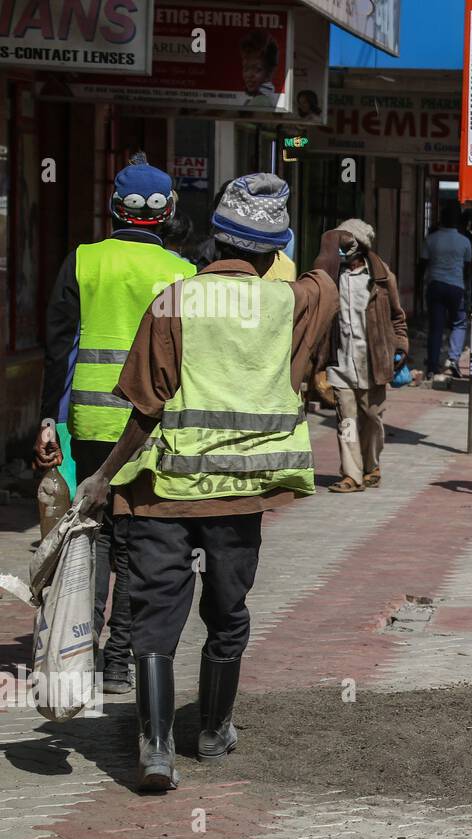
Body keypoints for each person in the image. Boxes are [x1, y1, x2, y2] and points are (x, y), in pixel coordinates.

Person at [74, 173, 347, 792]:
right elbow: (327, 269)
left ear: (213, 238)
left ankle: (155, 748)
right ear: (274, 250)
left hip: (160, 493)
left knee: (153, 618)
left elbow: (146, 407)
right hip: (240, 495)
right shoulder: (295, 302)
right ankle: (214, 730)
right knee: (226, 612)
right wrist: (331, 244)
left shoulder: (174, 300)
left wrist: (101, 476)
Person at [36, 155, 197, 695]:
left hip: (90, 422)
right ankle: (121, 657)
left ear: (114, 208)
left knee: (94, 531)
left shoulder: (82, 261)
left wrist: (47, 422)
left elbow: (58, 348)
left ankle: (77, 642)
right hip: (152, 427)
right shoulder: (183, 273)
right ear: (168, 211)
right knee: (139, 539)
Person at [325, 218, 409, 494]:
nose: (341, 247)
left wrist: (401, 347)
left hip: (373, 362)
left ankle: (371, 466)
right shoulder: (330, 275)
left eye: (346, 242)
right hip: (340, 365)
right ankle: (351, 475)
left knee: (373, 420)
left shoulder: (382, 278)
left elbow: (398, 317)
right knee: (346, 421)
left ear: (359, 244)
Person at [419, 201, 472, 382]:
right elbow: (467, 267)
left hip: (435, 286)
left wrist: (420, 286)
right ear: (458, 220)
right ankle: (453, 359)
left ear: (441, 218)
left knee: (436, 328)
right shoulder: (464, 241)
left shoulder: (432, 239)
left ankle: (432, 367)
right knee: (459, 324)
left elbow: (422, 264)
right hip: (456, 288)